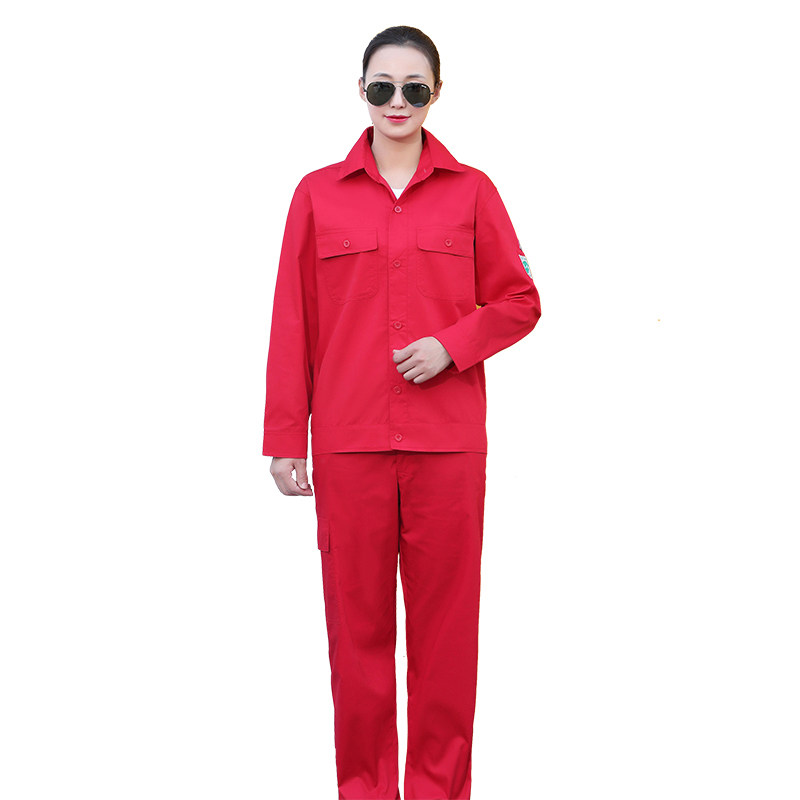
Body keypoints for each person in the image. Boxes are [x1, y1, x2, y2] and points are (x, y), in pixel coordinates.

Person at [262, 25, 541, 800]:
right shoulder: (316, 194)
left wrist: (453, 345)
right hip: (347, 444)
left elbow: (520, 301)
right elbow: (293, 319)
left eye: (414, 88)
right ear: (361, 90)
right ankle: (366, 791)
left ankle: (439, 792)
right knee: (356, 639)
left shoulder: (473, 192)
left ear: (436, 94)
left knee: (446, 639)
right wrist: (285, 435)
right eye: (382, 86)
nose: (397, 101)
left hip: (446, 448)